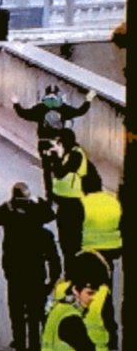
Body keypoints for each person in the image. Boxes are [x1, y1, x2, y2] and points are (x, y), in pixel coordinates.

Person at [0, 182, 61, 351]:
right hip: (36, 274)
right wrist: (51, 281)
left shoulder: (9, 215)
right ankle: (35, 345)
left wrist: (9, 204)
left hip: (14, 272)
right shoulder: (43, 233)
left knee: (16, 312)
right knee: (35, 313)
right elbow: (54, 259)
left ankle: (19, 343)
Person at [12, 85, 95, 197]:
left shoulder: (40, 108)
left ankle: (49, 193)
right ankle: (60, 190)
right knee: (59, 167)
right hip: (59, 144)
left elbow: (24, 114)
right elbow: (80, 111)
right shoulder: (63, 108)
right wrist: (88, 99)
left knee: (46, 169)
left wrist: (16, 103)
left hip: (44, 143)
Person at [79, 172, 122, 350]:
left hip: (90, 253)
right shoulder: (113, 200)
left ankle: (90, 326)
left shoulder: (83, 203)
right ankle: (112, 337)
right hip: (111, 251)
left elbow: (75, 229)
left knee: (90, 292)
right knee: (106, 292)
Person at [42, 253, 109, 351]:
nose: (93, 298)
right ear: (75, 290)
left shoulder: (59, 309)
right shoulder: (71, 320)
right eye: (90, 293)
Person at [48, 129, 89, 275]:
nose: (57, 145)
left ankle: (76, 276)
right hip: (63, 205)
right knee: (65, 245)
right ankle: (70, 275)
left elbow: (60, 173)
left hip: (73, 205)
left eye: (59, 142)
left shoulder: (76, 155)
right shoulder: (67, 154)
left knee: (73, 246)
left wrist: (56, 156)